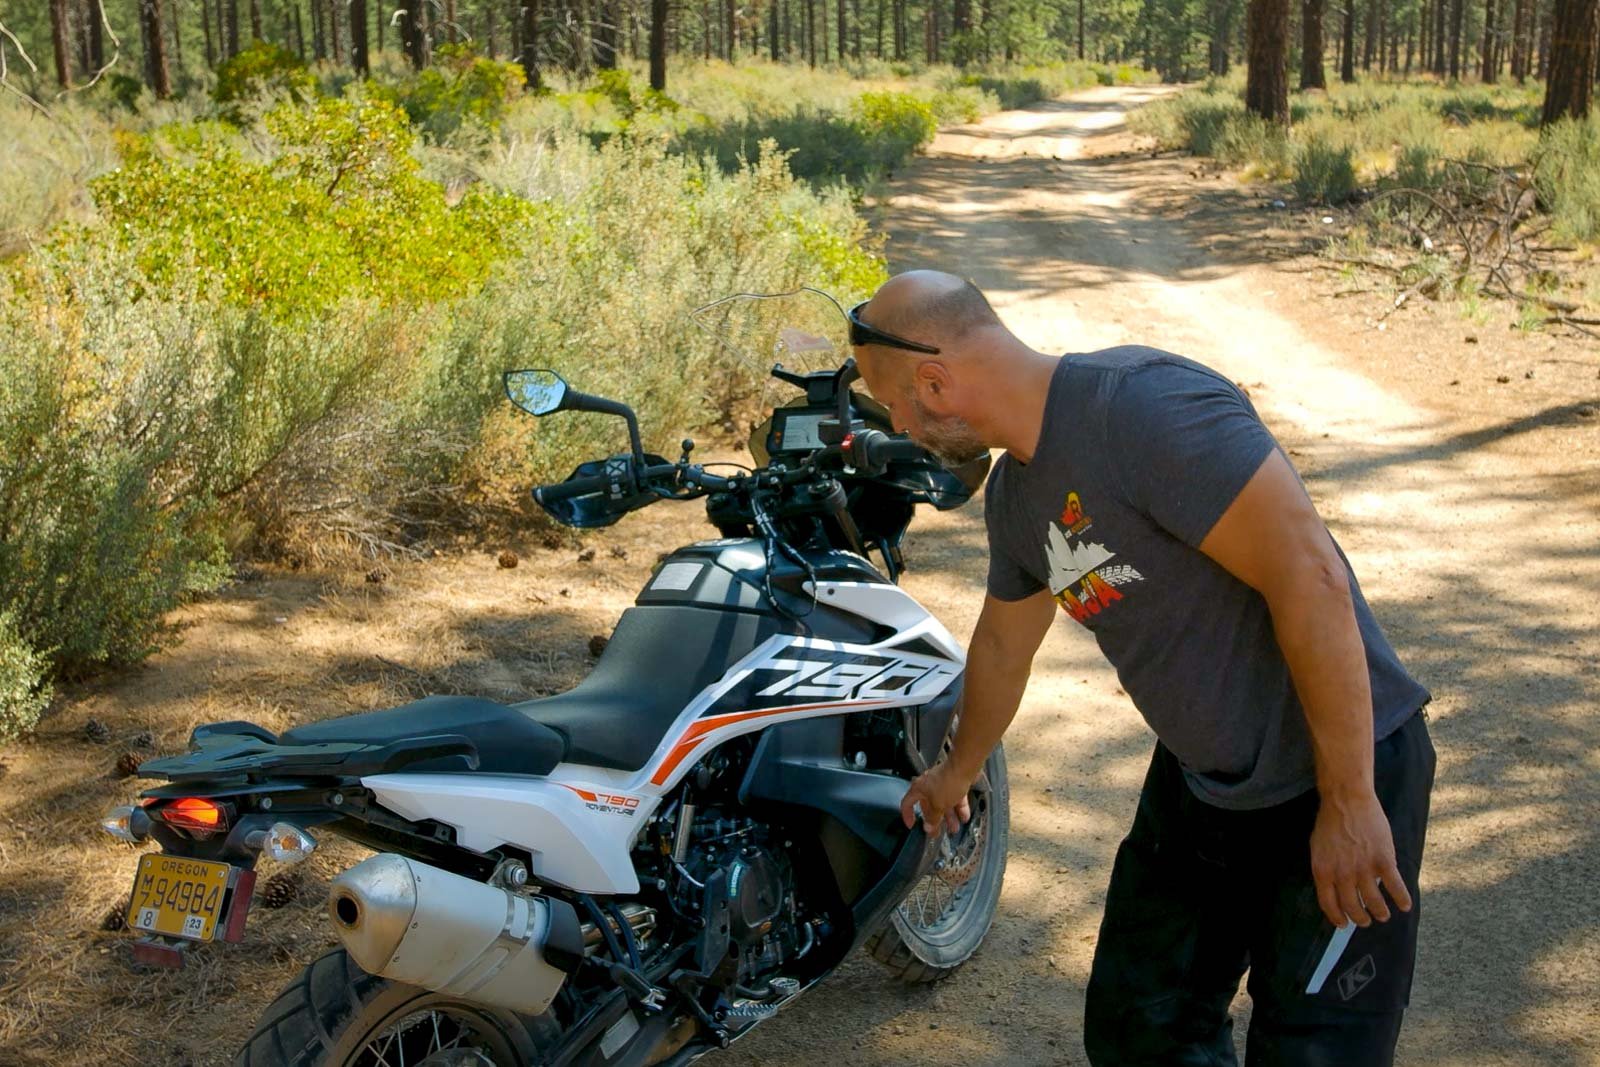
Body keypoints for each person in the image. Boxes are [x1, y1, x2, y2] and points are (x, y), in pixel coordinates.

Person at [849, 270, 1435, 1066]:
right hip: (1204, 783)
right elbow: (1002, 644)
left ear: (935, 381)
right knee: (1139, 1027)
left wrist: (1351, 798)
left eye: (895, 404)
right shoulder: (1018, 497)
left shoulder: (1142, 406)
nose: (901, 426)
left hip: (1336, 766)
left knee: (1314, 1051)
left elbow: (1311, 575)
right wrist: (957, 770)